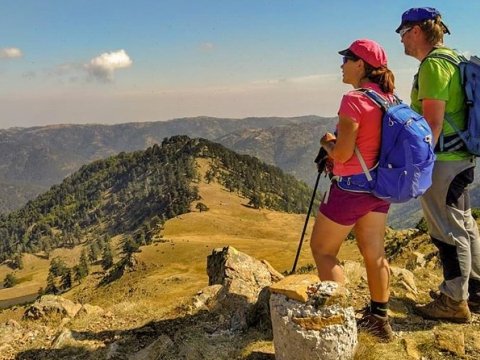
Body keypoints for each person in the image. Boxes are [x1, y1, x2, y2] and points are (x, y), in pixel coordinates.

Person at [396, 7, 480, 323]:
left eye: (402, 31)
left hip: (443, 161)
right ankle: (474, 291)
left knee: (446, 229)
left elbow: (432, 124)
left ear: (416, 31)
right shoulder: (453, 58)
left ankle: (453, 301)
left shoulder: (433, 66)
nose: (401, 39)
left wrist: (417, 167)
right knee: (465, 224)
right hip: (461, 157)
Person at [310, 39, 395, 342]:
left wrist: (326, 142)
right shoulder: (389, 98)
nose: (341, 64)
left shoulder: (354, 99)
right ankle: (380, 321)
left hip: (351, 187)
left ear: (361, 65)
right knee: (374, 252)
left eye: (346, 58)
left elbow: (343, 154)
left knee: (322, 250)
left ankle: (340, 322)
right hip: (380, 187)